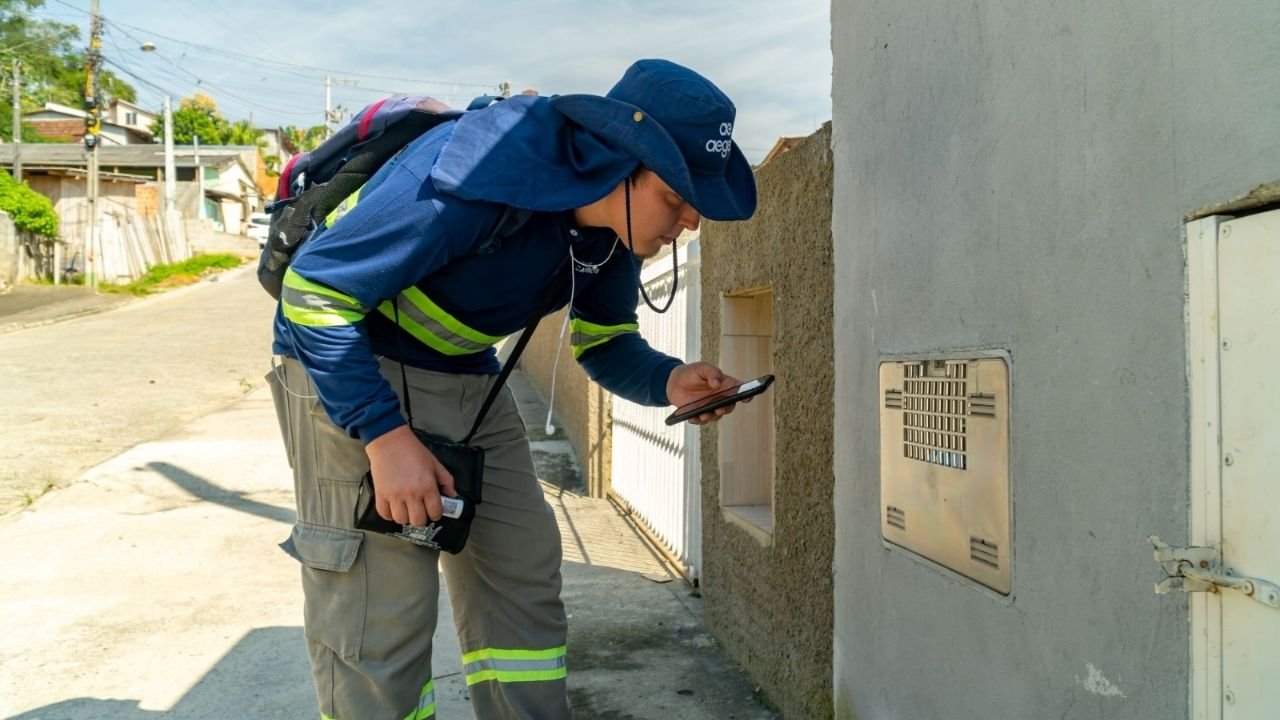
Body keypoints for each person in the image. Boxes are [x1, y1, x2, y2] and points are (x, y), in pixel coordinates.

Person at [266, 58, 757, 720]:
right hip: (349, 366)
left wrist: (671, 380)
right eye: (677, 197)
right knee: (382, 609)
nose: (691, 221)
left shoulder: (609, 233)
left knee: (521, 565)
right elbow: (316, 295)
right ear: (619, 163)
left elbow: (605, 345)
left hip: (466, 374)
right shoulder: (473, 171)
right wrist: (384, 438)